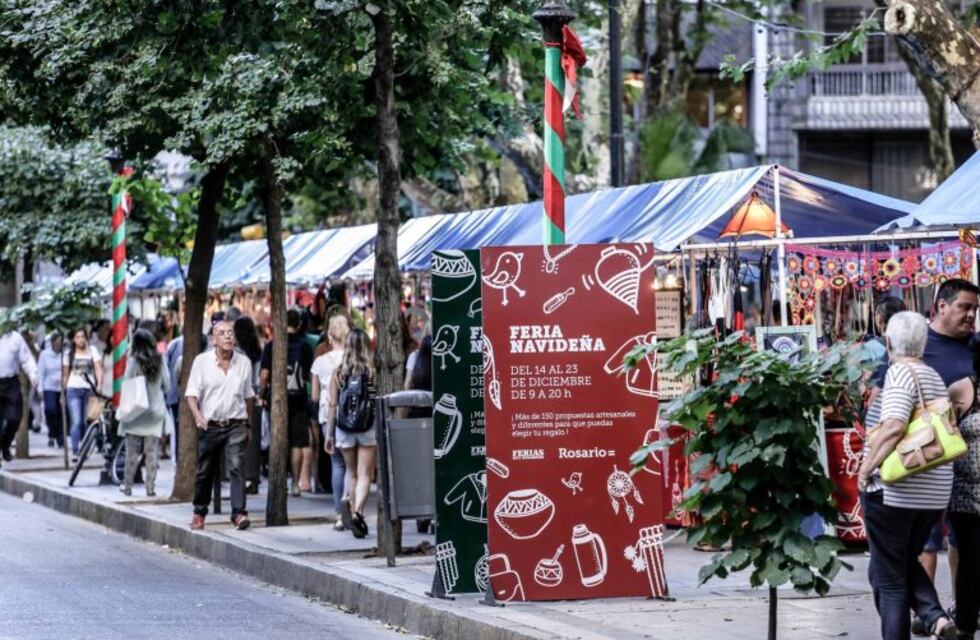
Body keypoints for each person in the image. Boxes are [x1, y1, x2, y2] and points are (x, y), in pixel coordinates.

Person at [858, 311, 960, 640]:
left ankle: (933, 617)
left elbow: (894, 426)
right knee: (896, 563)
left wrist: (866, 467)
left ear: (888, 341)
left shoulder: (900, 372)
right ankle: (936, 618)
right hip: (931, 493)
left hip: (896, 491)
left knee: (890, 581)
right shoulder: (931, 375)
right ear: (924, 341)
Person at [918, 278, 979, 626]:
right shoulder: (918, 346)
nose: (971, 316)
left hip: (967, 473)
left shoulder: (975, 346)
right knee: (925, 541)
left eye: (975, 310)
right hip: (926, 463)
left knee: (965, 544)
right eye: (964, 307)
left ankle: (960, 605)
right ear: (942, 305)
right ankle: (925, 612)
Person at [185, 320, 254, 531]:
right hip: (211, 424)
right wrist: (198, 416)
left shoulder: (244, 363)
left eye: (230, 333)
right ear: (213, 339)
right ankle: (199, 512)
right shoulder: (201, 362)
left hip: (236, 422)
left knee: (236, 466)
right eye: (222, 333)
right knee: (205, 469)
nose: (227, 337)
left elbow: (248, 396)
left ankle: (239, 513)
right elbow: (191, 394)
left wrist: (249, 424)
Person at [323, 328, 376, 539]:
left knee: (350, 472)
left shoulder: (338, 372)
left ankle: (348, 498)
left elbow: (333, 405)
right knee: (365, 474)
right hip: (367, 425)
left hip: (344, 428)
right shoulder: (373, 371)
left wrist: (329, 434)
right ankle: (357, 513)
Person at [259, 308, 314, 496]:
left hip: (276, 400)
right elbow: (307, 374)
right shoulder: (305, 346)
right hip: (299, 399)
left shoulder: (272, 346)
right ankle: (295, 483)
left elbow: (264, 374)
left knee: (279, 440)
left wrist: (261, 393)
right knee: (298, 442)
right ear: (299, 324)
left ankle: (279, 481)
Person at [949, 334, 980, 638]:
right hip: (966, 497)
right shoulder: (961, 389)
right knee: (971, 564)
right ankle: (966, 626)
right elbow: (943, 438)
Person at [117, 329, 170, 497]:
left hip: (136, 410)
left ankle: (127, 486)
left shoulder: (133, 360)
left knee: (132, 451)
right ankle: (150, 488)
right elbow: (167, 385)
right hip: (155, 411)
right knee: (151, 452)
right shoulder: (160, 360)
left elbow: (126, 381)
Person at [312, 314, 350, 530]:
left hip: (328, 413)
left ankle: (338, 512)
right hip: (352, 414)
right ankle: (351, 506)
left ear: (329, 335)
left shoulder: (320, 362)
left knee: (337, 464)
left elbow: (315, 396)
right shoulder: (354, 359)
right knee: (352, 465)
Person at [61, 327, 103, 458]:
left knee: (87, 421)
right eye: (77, 337)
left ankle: (84, 449)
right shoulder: (69, 354)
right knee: (76, 421)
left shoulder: (93, 351)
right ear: (73, 339)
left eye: (82, 337)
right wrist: (62, 393)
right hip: (73, 389)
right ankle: (75, 450)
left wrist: (99, 384)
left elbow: (98, 368)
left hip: (89, 390)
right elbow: (65, 374)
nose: (80, 340)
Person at [234, 316, 263, 495]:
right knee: (254, 442)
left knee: (240, 441)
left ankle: (242, 478)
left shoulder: (237, 355)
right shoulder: (257, 352)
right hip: (256, 398)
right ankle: (253, 478)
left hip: (240, 399)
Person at [0, 327, 38, 463]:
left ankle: (5, 444)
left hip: (11, 382)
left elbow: (26, 359)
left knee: (15, 417)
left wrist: (32, 374)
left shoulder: (15, 338)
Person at [37, 332, 64, 448]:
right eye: (57, 343)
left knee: (61, 413)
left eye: (60, 343)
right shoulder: (44, 355)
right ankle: (51, 433)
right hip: (49, 387)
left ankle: (60, 437)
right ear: (52, 343)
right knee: (50, 410)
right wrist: (40, 388)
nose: (59, 345)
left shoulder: (65, 354)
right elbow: (41, 372)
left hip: (62, 388)